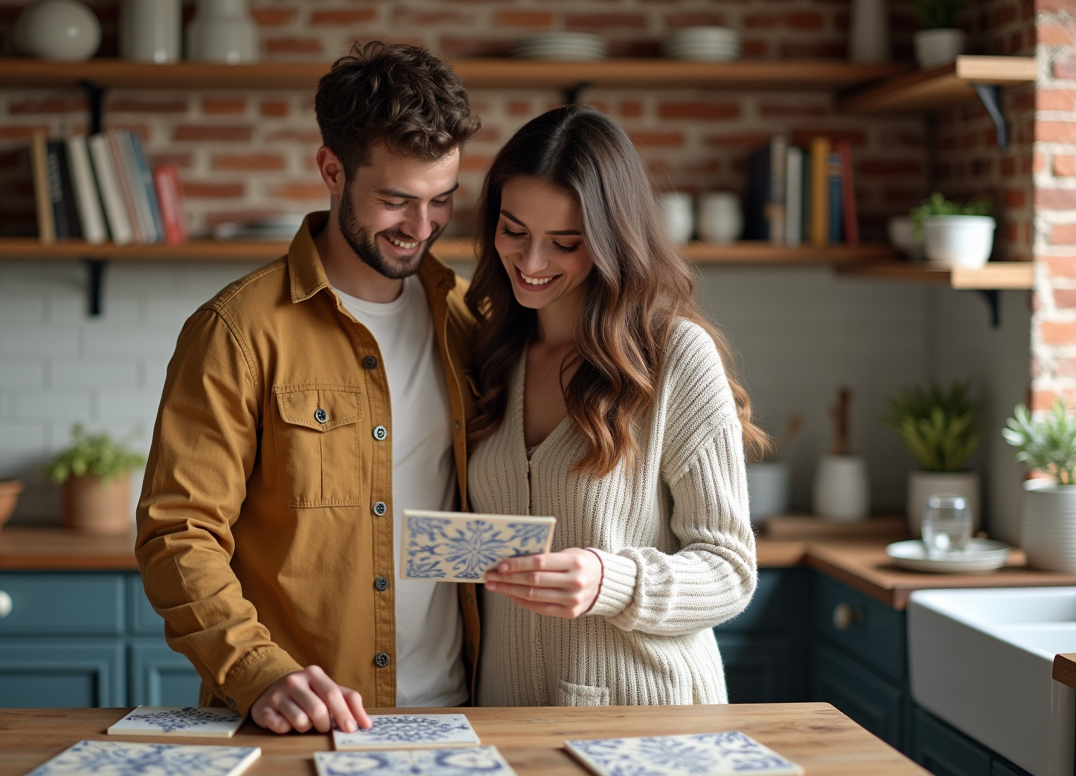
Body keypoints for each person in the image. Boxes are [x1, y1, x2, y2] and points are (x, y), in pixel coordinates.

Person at [135, 42, 483, 735]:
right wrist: (257, 671)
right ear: (331, 169)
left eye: (441, 199)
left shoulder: (470, 321)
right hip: (292, 724)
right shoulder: (235, 331)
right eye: (395, 201)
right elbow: (178, 533)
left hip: (458, 715)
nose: (422, 228)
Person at [465, 105, 764, 707]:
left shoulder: (673, 355)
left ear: (610, 241)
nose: (531, 262)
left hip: (646, 715)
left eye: (565, 244)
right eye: (513, 231)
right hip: (510, 719)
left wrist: (612, 580)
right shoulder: (492, 350)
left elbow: (731, 569)